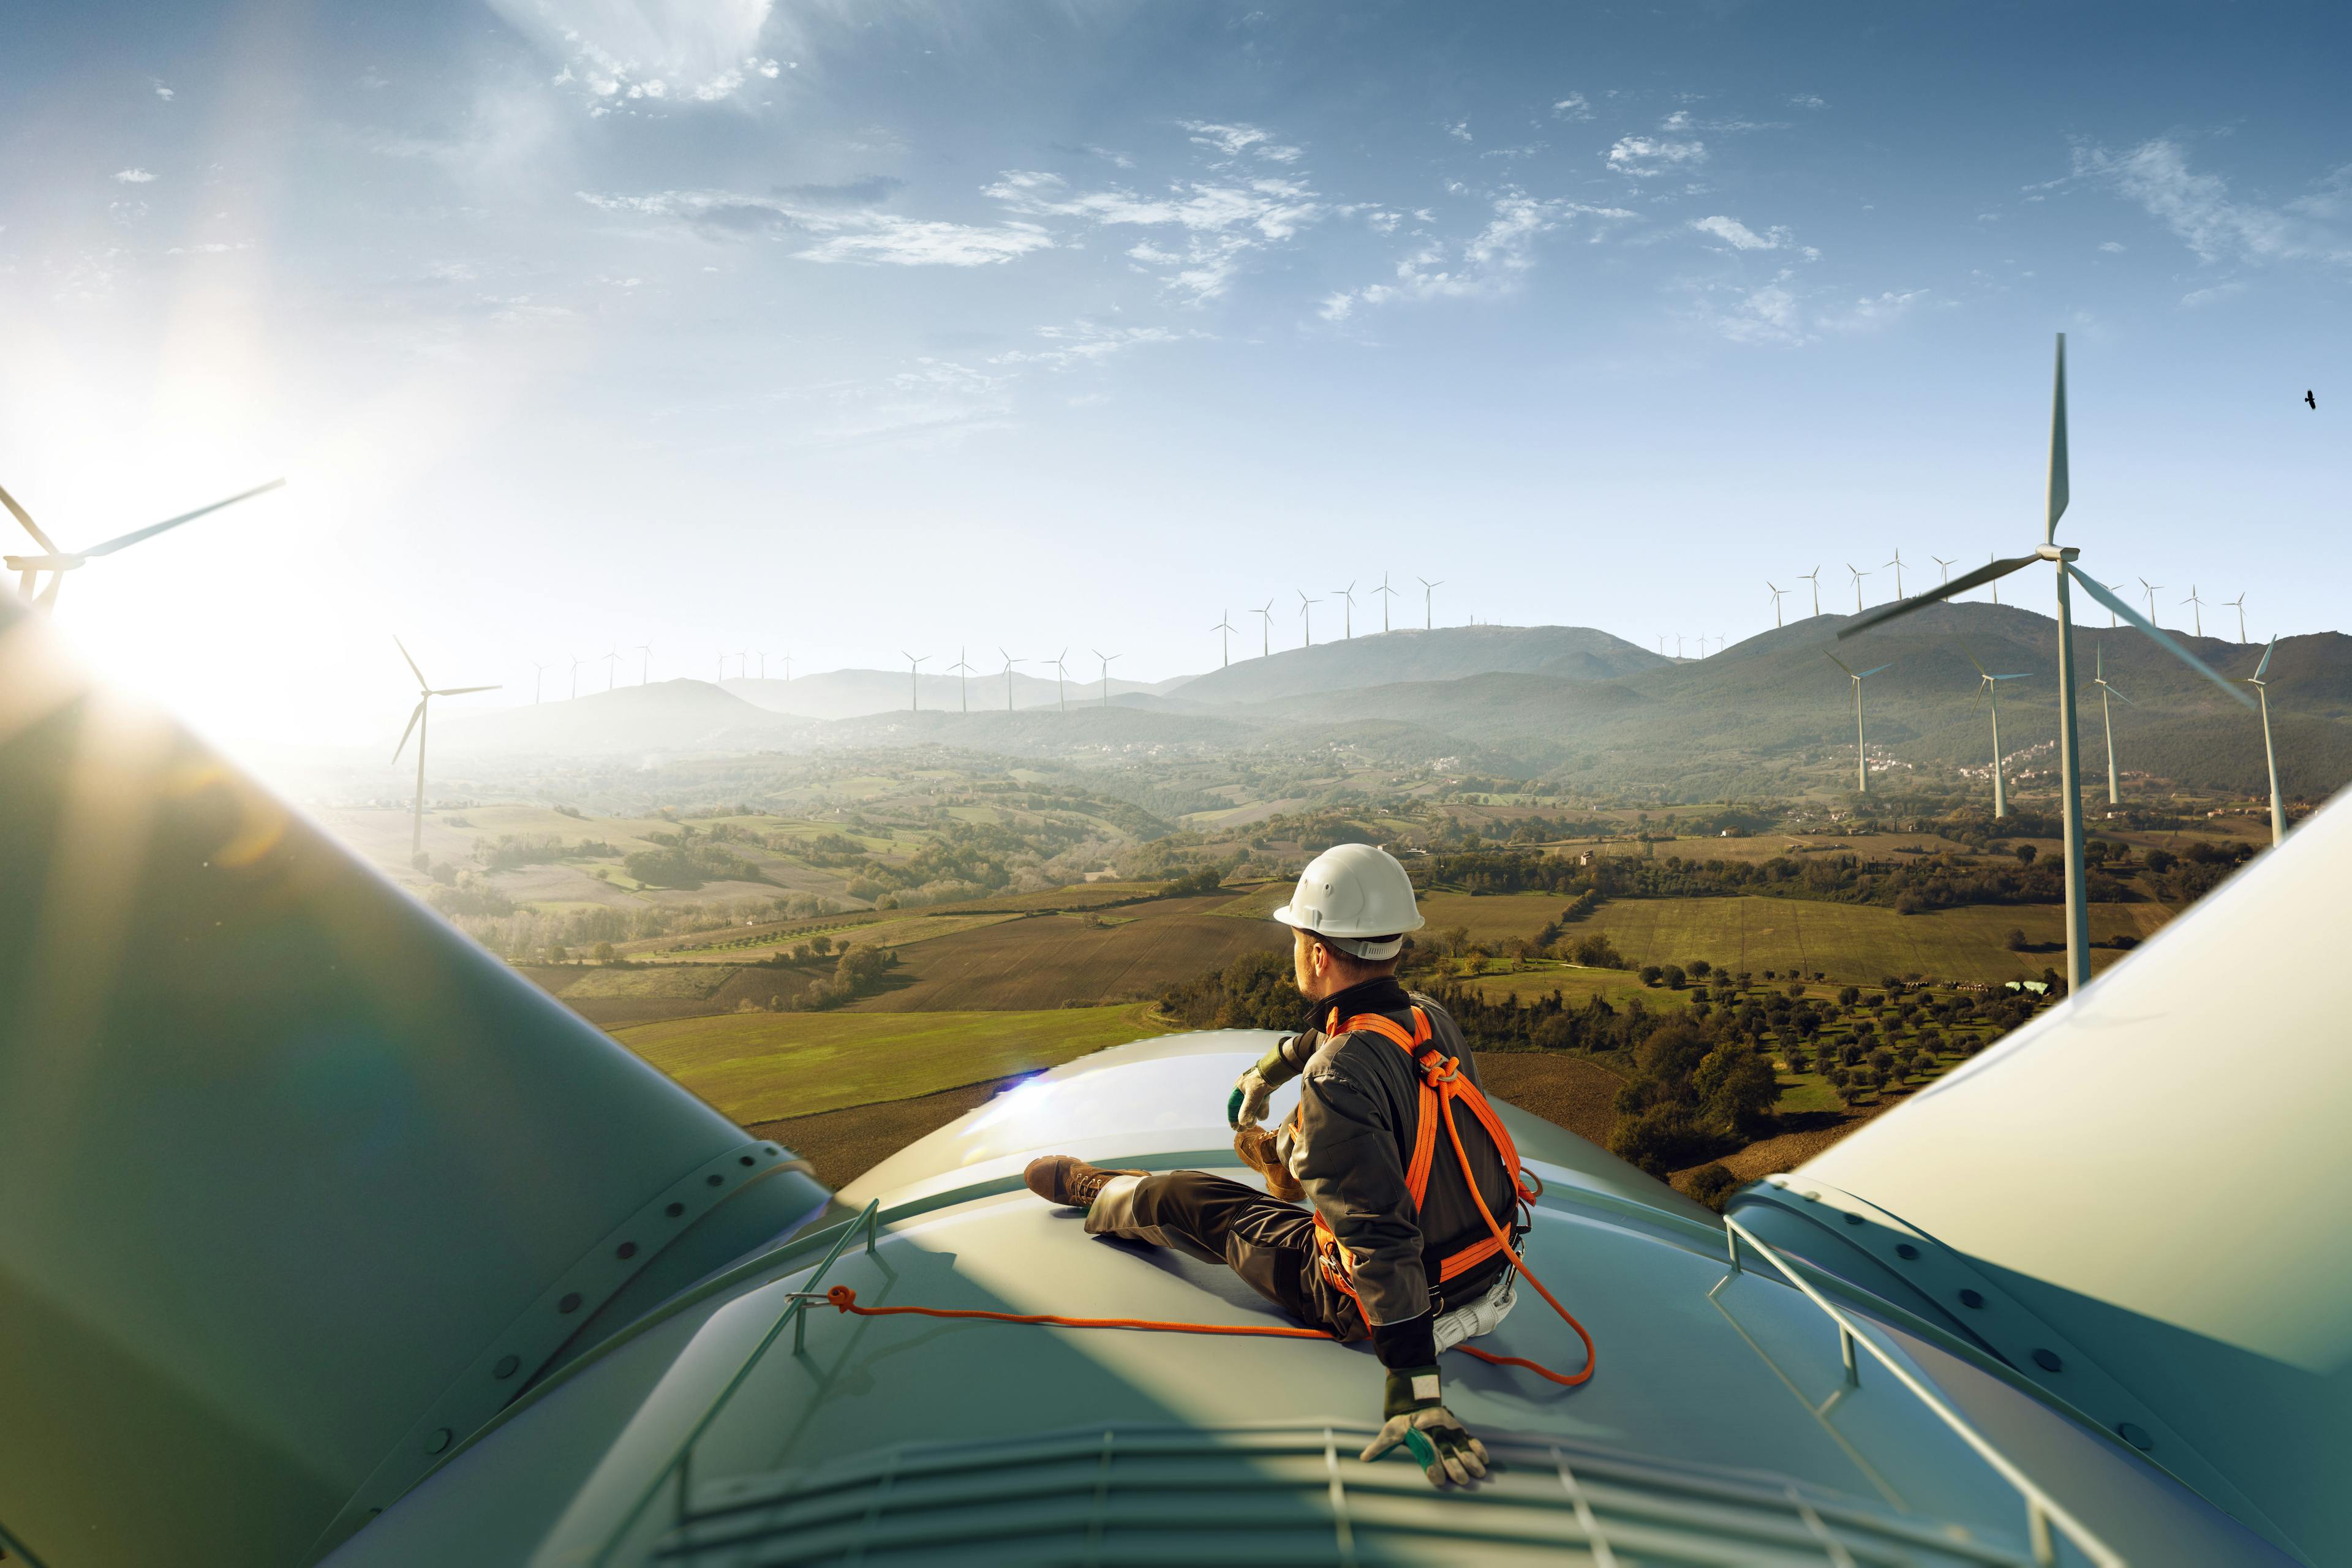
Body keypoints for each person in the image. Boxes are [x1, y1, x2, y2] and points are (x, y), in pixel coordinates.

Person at [1021, 843, 1521, 1488]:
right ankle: (1287, 1158)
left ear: (1317, 952)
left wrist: (1416, 1389)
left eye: (1296, 937)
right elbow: (1342, 1033)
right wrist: (1270, 1068)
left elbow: (1380, 1238)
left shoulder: (1338, 1076)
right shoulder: (1427, 1016)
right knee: (1327, 1135)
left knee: (1188, 1196)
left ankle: (1106, 1192)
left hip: (1391, 1301)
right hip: (1491, 1269)